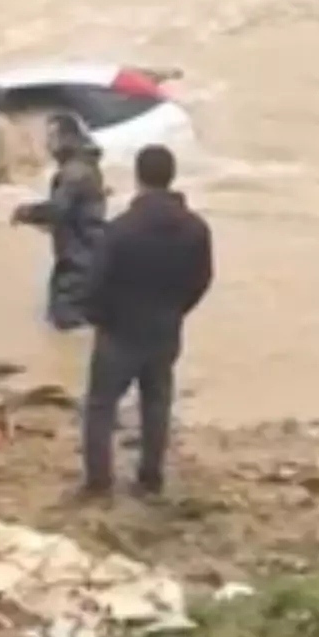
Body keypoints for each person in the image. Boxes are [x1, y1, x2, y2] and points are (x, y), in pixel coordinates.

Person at [81, 144, 212, 498]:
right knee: (156, 402)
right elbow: (201, 280)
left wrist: (100, 317)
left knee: (100, 405)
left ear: (138, 178)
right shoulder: (196, 229)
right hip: (165, 326)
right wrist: (176, 310)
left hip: (119, 330)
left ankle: (98, 482)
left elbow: (94, 283)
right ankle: (150, 478)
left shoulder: (120, 230)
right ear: (171, 177)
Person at [11, 113, 108, 331]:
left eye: (52, 136)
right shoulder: (85, 167)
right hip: (85, 256)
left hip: (77, 263)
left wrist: (26, 213)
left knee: (67, 328)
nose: (47, 143)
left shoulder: (74, 172)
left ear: (67, 138)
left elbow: (58, 210)